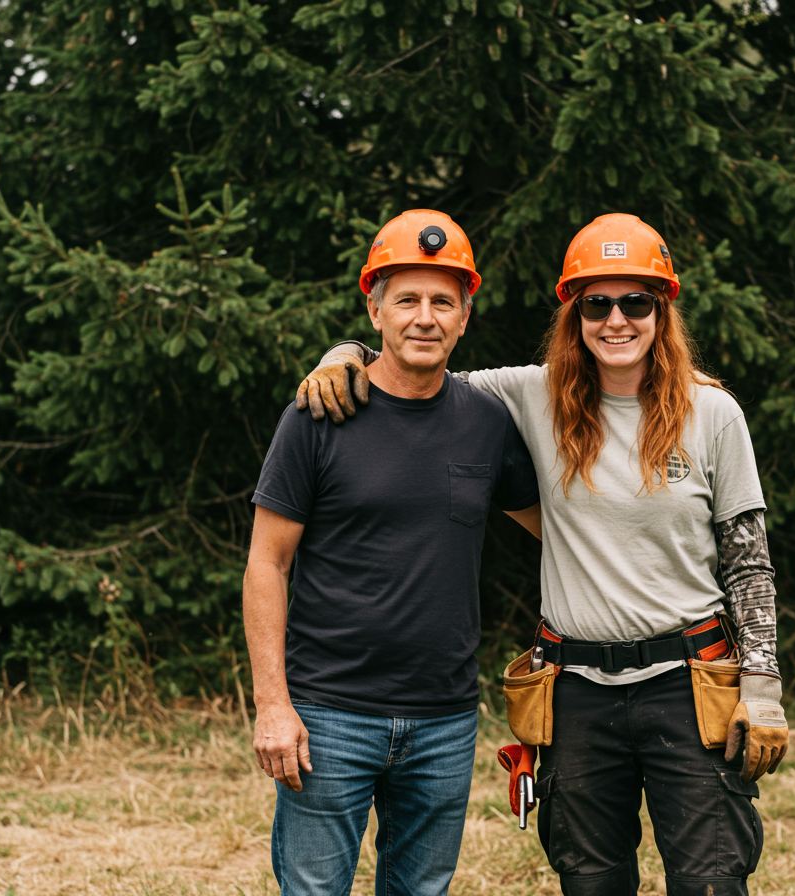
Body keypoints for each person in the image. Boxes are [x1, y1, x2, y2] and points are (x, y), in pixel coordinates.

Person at [298, 213, 787, 896]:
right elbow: (416, 366)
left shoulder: (712, 413)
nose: (616, 320)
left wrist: (762, 686)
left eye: (636, 302)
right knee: (589, 883)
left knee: (711, 882)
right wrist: (343, 354)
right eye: (596, 304)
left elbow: (748, 562)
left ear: (662, 310)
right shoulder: (530, 395)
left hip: (689, 683)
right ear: (574, 314)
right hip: (576, 691)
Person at [243, 209, 540, 896]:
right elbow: (267, 564)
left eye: (443, 302)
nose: (425, 318)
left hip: (445, 719)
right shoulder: (318, 415)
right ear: (375, 311)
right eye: (406, 300)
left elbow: (560, 534)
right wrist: (273, 705)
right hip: (328, 716)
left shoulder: (487, 423)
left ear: (465, 317)